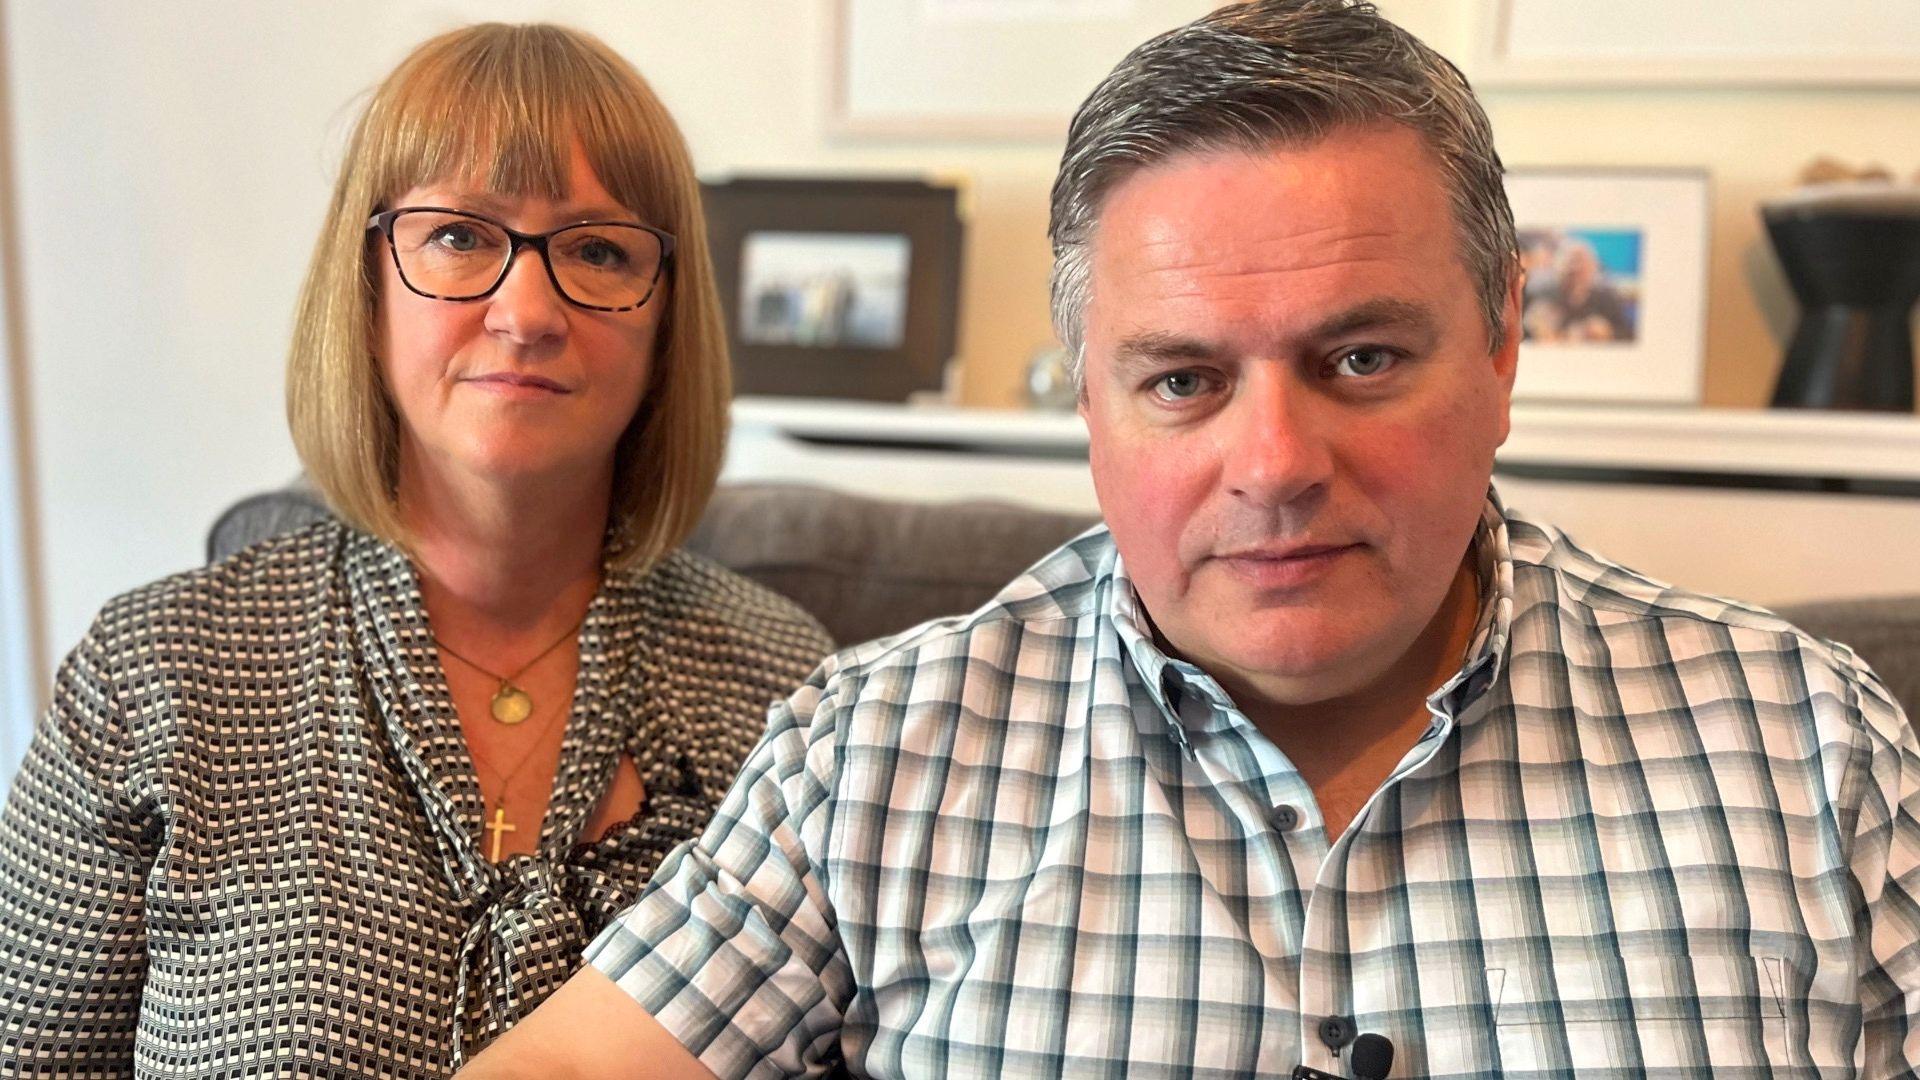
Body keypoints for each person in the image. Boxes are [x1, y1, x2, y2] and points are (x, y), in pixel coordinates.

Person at [463, 2, 1920, 1077]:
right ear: (1090, 404)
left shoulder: (1808, 747)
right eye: (1183, 381)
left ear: (1502, 343)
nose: (1275, 466)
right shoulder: (878, 751)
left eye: (1360, 361)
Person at [0, 23, 831, 1076]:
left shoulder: (785, 692)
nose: (526, 311)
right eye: (459, 237)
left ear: (666, 320)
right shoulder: (156, 674)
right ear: (369, 285)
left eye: (598, 250)